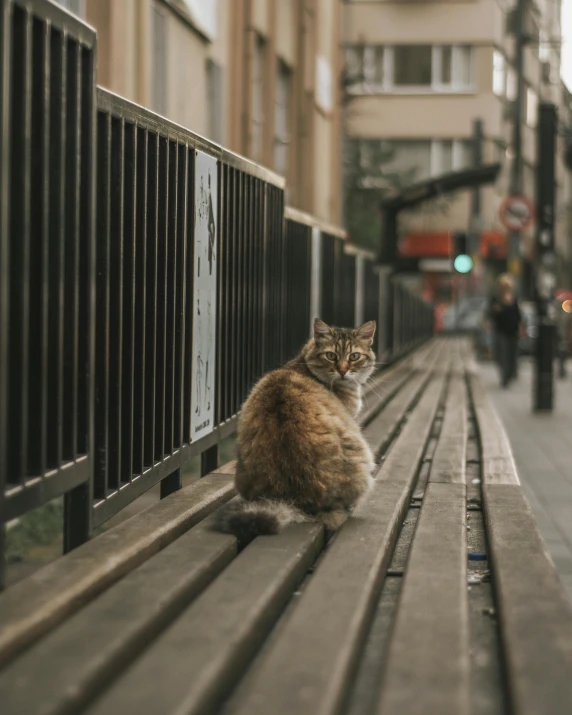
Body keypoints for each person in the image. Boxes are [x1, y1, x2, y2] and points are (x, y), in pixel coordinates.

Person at [491, 278, 523, 387]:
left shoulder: (514, 300)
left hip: (512, 331)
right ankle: (505, 376)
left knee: (512, 354)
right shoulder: (496, 299)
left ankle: (510, 374)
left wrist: (520, 328)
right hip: (501, 331)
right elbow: (491, 314)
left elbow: (518, 316)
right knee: (502, 355)